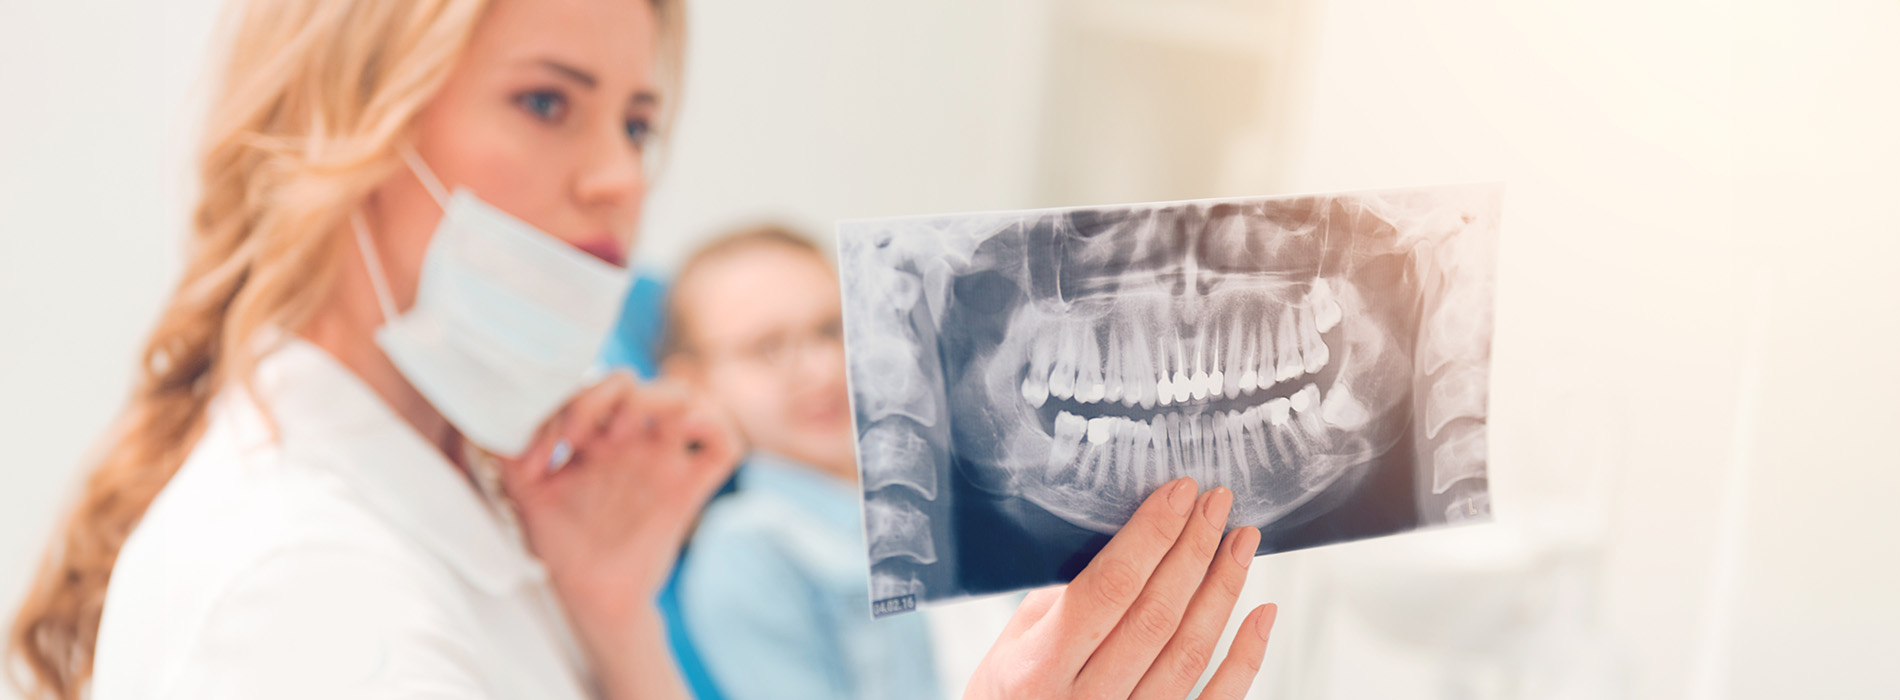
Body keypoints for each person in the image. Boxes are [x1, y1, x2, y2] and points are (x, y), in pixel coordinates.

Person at [5, 0, 1275, 699]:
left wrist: (613, 624)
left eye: (639, 116)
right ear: (339, 125)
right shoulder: (310, 595)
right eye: (546, 101)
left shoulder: (458, 525)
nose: (619, 175)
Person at [658, 225, 936, 699]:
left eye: (833, 329)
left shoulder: (945, 496)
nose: (822, 368)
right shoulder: (746, 547)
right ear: (693, 384)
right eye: (769, 347)